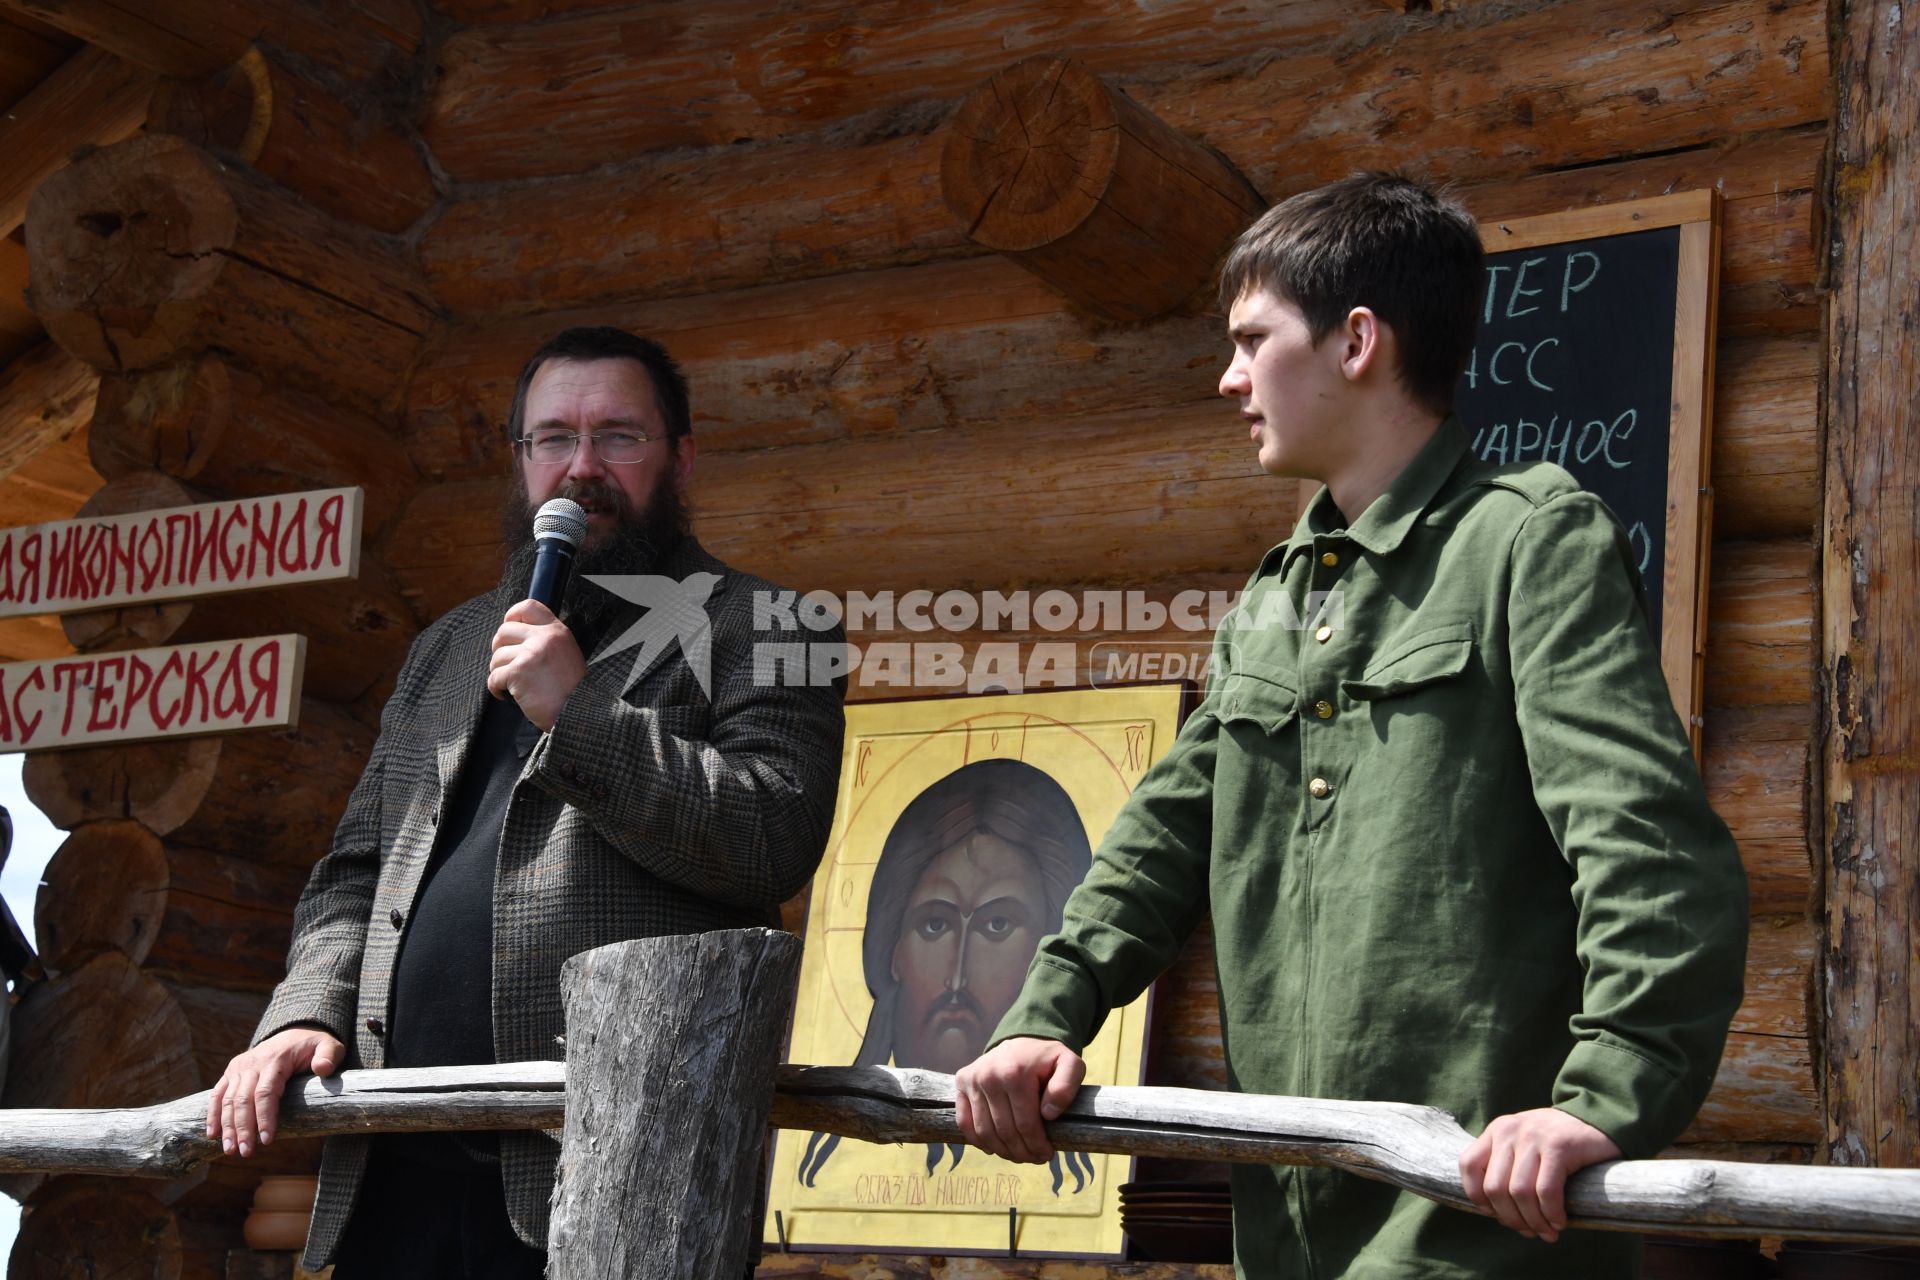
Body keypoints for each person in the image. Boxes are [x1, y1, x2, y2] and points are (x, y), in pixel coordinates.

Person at [954, 174, 1748, 1278]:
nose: (1229, 377)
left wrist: (1608, 1096)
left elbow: (1650, 849)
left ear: (1357, 340)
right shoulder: (1274, 597)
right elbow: (1162, 840)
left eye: (1251, 338)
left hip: (1480, 1233)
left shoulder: (1530, 541)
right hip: (1285, 1233)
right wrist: (1046, 1013)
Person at [206, 326, 847, 1278]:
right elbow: (355, 871)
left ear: (682, 458)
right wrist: (309, 1011)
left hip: (614, 1177)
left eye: (618, 437)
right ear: (521, 463)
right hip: (395, 1159)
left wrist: (578, 713)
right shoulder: (449, 644)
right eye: (553, 439)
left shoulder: (772, 626)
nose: (581, 467)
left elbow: (769, 840)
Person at [794, 758, 1094, 1190]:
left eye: (997, 925)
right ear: (893, 950)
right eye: (935, 924)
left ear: (1048, 951)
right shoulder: (828, 1175)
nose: (956, 979)